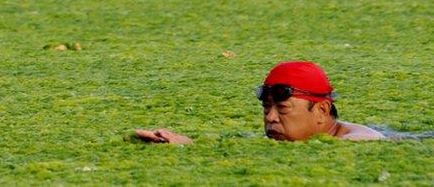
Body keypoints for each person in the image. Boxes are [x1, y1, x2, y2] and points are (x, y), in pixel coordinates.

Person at [135, 61, 384, 144]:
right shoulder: (302, 141)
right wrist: (187, 143)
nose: (270, 117)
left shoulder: (358, 142)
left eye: (282, 108)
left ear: (321, 110)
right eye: (266, 107)